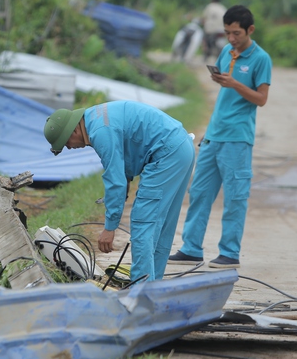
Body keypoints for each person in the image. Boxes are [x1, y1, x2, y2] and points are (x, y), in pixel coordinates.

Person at [43, 100, 195, 283]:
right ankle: (153, 287)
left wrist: (110, 227)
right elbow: (127, 142)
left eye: (66, 142)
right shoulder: (94, 117)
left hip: (166, 153)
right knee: (161, 225)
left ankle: (140, 289)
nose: (69, 147)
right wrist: (128, 177)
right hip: (181, 146)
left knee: (142, 222)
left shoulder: (99, 133)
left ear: (74, 131)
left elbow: (115, 182)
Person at [169, 5, 272, 269]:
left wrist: (235, 84)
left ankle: (229, 253)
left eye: (236, 33)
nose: (231, 39)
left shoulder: (261, 59)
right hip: (214, 135)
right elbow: (226, 92)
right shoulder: (227, 51)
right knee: (199, 192)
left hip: (238, 138)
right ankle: (191, 248)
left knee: (235, 197)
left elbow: (261, 99)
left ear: (250, 30)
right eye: (227, 32)